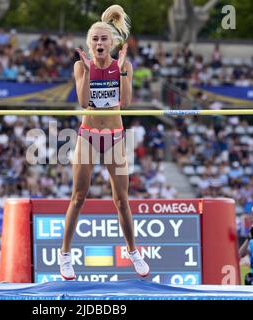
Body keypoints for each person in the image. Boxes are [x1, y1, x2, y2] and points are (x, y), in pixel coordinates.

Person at [59, 4, 149, 280]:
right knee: (78, 196)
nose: (99, 42)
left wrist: (121, 71)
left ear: (112, 42)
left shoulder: (124, 66)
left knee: (121, 200)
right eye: (95, 39)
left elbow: (128, 102)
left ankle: (133, 251)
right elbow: (84, 101)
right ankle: (64, 255)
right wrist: (87, 72)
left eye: (104, 38)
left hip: (115, 138)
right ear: (90, 43)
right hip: (88, 136)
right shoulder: (80, 66)